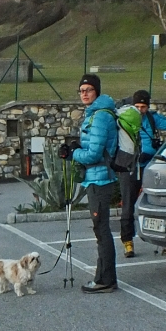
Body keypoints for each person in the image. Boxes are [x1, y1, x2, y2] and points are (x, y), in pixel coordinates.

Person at [59, 73, 119, 293]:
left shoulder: (101, 116)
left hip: (100, 178)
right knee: (100, 228)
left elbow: (94, 154)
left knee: (101, 229)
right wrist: (75, 149)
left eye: (88, 90)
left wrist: (74, 153)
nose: (84, 93)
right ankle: (104, 277)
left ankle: (105, 280)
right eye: (81, 90)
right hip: (96, 177)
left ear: (97, 91)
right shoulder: (94, 113)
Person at [119, 90, 166, 257]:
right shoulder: (125, 119)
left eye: (143, 107)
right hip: (131, 167)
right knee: (128, 205)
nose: (140, 110)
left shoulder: (152, 119)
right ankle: (128, 242)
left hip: (151, 166)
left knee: (160, 204)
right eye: (137, 106)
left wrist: (163, 150)